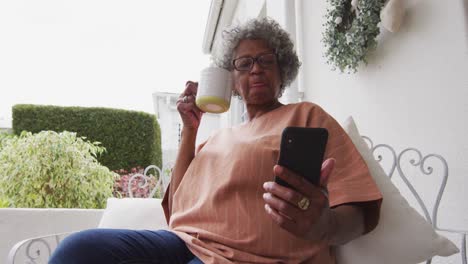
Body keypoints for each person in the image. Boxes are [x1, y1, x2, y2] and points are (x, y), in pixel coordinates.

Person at [49, 17, 382, 264]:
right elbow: (179, 206)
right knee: (76, 252)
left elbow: (363, 208)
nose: (255, 69)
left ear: (283, 71)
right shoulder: (219, 138)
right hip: (181, 244)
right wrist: (190, 130)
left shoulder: (306, 117)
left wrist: (325, 227)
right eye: (244, 63)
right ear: (231, 80)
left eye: (266, 60)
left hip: (251, 257)